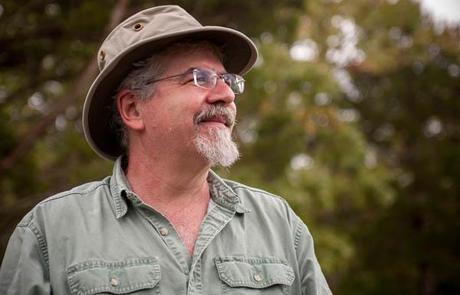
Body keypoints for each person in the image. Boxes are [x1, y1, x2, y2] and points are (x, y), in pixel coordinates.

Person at [0, 5, 332, 294]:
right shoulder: (50, 232)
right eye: (200, 78)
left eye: (228, 81)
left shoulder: (280, 224)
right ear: (133, 109)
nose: (226, 95)